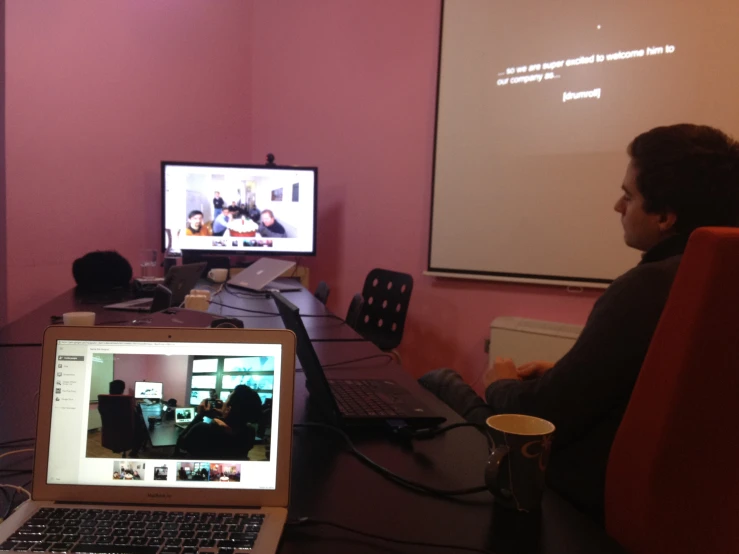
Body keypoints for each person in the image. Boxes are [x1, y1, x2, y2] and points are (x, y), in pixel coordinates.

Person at [419, 124, 739, 522]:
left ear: (664, 216)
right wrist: (565, 373)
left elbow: (544, 415)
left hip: (576, 481)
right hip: (684, 499)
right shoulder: (712, 279)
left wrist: (500, 382)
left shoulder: (646, 287)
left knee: (438, 381)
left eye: (629, 196)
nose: (618, 207)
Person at [177, 385, 262, 460]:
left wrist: (200, 415)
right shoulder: (249, 432)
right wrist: (222, 415)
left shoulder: (202, 429)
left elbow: (181, 443)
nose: (224, 402)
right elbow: (230, 427)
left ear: (229, 408)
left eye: (227, 398)